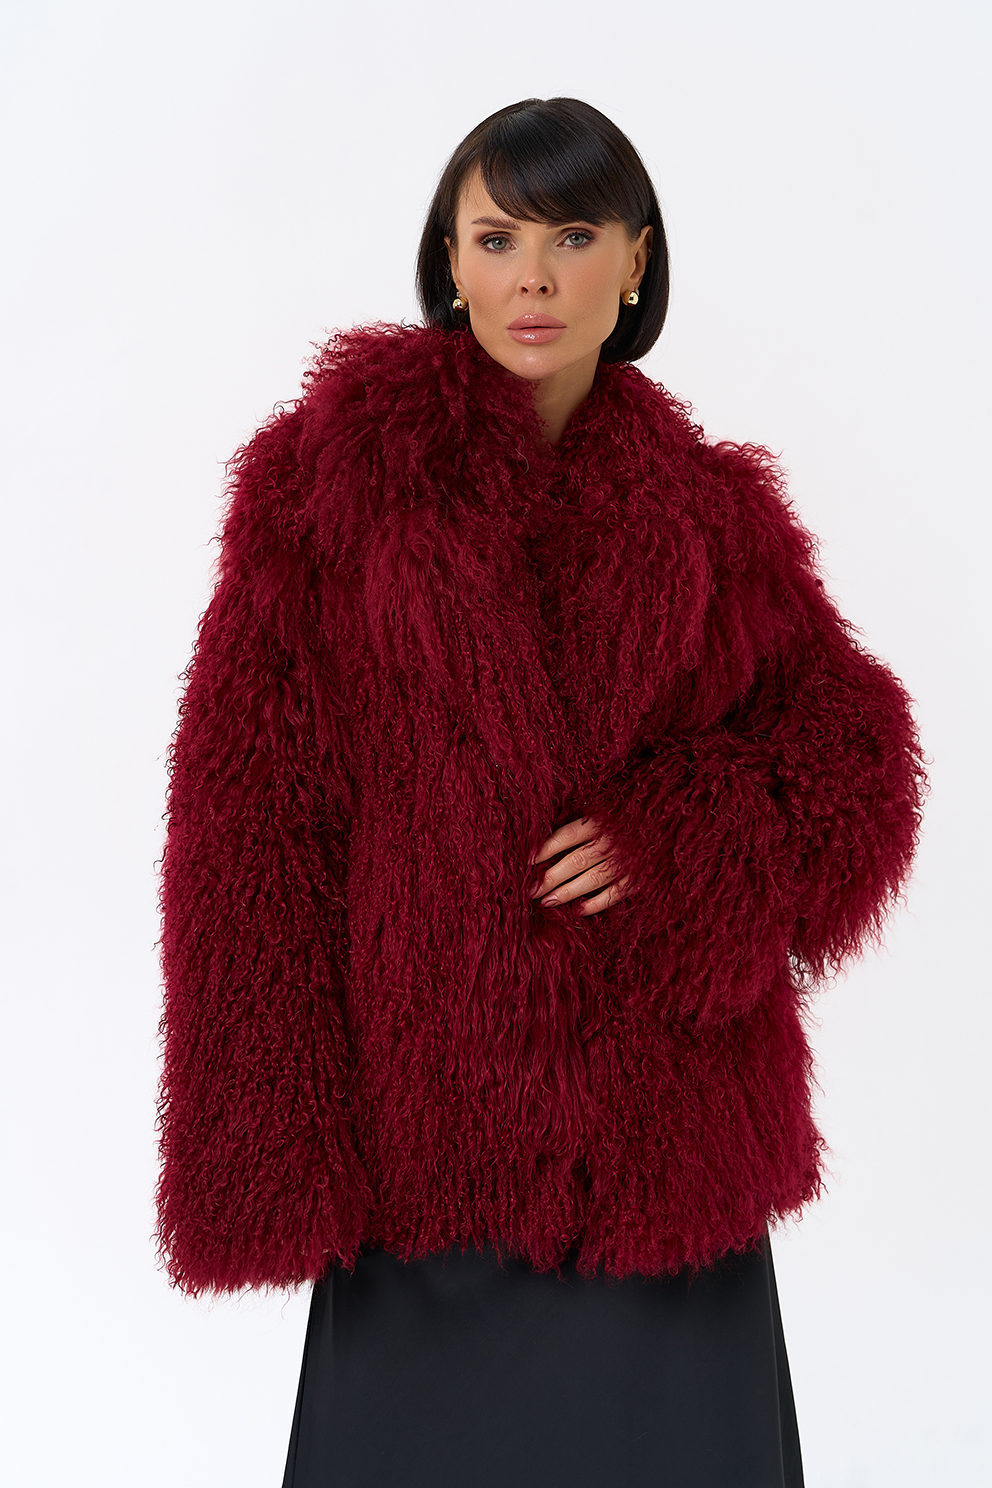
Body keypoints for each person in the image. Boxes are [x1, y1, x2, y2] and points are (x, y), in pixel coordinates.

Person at [156, 98, 925, 1487]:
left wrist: (684, 838)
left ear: (635, 264)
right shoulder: (327, 495)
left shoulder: (711, 515)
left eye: (574, 236)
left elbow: (857, 757)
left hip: (660, 1160)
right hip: (425, 1153)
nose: (533, 278)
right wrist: (272, 1149)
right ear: (447, 261)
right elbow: (248, 828)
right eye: (497, 237)